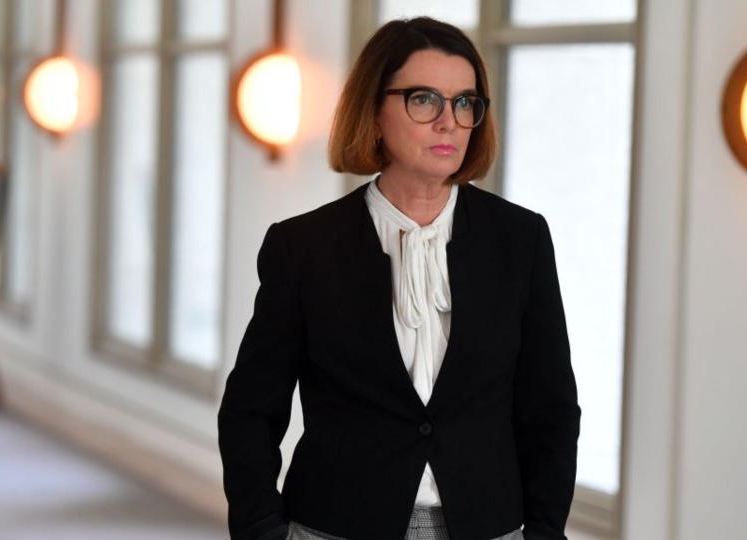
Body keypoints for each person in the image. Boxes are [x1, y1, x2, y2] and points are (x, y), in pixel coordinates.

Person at [218, 16, 580, 540]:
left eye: (464, 102)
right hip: (334, 524)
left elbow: (550, 406)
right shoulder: (303, 247)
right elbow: (251, 408)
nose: (449, 122)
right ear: (374, 110)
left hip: (486, 525)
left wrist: (544, 532)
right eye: (424, 99)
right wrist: (261, 529)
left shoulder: (520, 239)